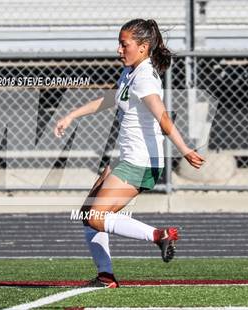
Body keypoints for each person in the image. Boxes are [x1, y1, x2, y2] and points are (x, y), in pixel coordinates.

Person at [54, 19, 205, 288]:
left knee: (95, 216)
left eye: (125, 45)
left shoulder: (145, 76)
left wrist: (185, 149)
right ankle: (105, 276)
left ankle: (159, 235)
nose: (118, 49)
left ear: (143, 48)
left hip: (141, 161)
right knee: (89, 214)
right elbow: (111, 99)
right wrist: (72, 115)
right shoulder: (131, 72)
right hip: (128, 157)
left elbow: (164, 118)